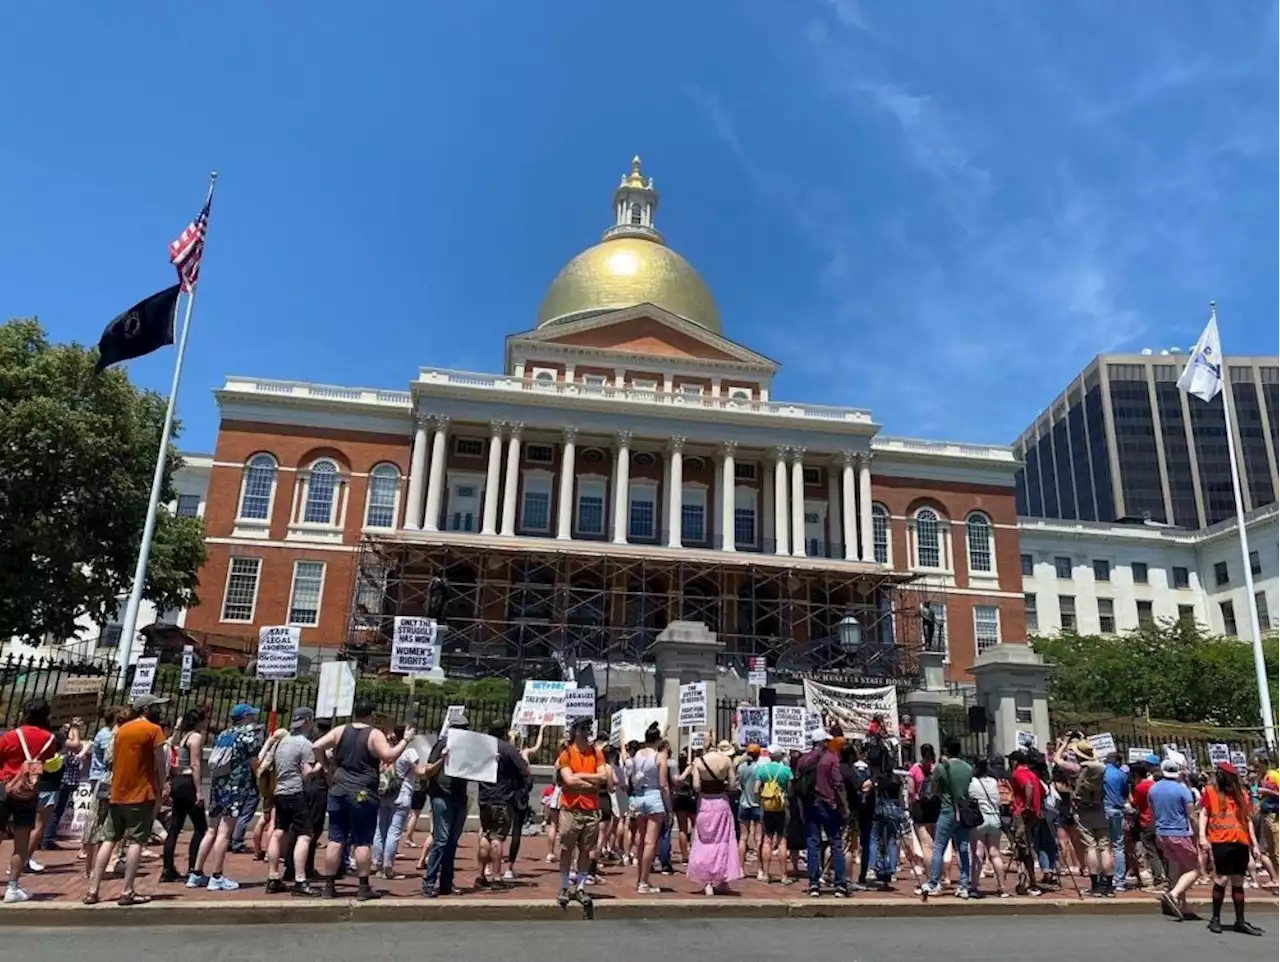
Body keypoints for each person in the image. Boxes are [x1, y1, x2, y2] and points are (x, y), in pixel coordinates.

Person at [308, 698, 415, 901]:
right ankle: (363, 886)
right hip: (362, 792)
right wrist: (405, 740)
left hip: (339, 790)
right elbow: (389, 756)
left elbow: (316, 746)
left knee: (335, 838)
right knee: (362, 841)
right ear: (371, 715)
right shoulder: (374, 734)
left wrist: (325, 767)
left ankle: (329, 886)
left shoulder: (340, 730)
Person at [84, 694, 168, 906]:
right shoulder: (153, 730)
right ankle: (127, 890)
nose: (160, 710)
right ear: (147, 709)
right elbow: (161, 765)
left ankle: (93, 889)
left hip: (118, 793)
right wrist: (161, 787)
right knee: (136, 841)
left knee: (109, 839)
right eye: (156, 707)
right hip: (140, 793)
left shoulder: (121, 730)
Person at [190, 703, 265, 892]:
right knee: (224, 833)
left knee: (211, 830)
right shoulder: (247, 735)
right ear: (246, 717)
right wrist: (262, 779)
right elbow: (254, 761)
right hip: (236, 786)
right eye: (251, 716)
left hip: (218, 786)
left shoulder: (223, 735)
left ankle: (196, 873)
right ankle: (217, 876)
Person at [0, 699, 58, 904]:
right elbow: (49, 760)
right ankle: (13, 888)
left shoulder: (10, 736)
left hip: (4, 786)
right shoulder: (49, 739)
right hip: (28, 791)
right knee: (21, 841)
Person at [1200, 761, 1264, 935]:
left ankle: (1240, 921)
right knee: (1221, 879)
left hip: (1240, 841)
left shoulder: (1242, 794)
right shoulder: (1211, 792)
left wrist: (1254, 844)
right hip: (1221, 841)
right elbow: (1204, 814)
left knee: (1238, 881)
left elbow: (1247, 819)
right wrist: (1202, 836)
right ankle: (1215, 919)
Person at [265, 707, 321, 897]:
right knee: (305, 835)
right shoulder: (304, 744)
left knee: (278, 832)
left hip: (279, 791)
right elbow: (307, 772)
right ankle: (300, 879)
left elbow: (269, 762)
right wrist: (321, 765)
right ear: (307, 721)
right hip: (296, 792)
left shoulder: (281, 742)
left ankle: (273, 877)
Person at [556, 716, 609, 908]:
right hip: (571, 809)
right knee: (566, 848)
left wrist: (581, 776)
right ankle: (564, 886)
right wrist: (590, 782)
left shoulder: (596, 753)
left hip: (590, 809)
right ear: (575, 731)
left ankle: (580, 887)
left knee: (586, 850)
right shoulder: (566, 754)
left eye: (588, 728)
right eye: (582, 728)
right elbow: (568, 780)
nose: (586, 732)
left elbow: (604, 776)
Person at [796, 729, 849, 898]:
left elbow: (797, 785)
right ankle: (840, 884)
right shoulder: (831, 758)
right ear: (823, 742)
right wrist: (845, 806)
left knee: (813, 844)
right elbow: (838, 784)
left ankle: (813, 884)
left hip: (810, 806)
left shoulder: (803, 760)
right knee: (835, 843)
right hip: (828, 806)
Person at [419, 714, 468, 897]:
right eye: (458, 728)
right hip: (442, 797)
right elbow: (427, 771)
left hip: (459, 797)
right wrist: (442, 758)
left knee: (452, 842)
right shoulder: (441, 744)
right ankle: (429, 882)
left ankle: (446, 883)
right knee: (441, 839)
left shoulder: (467, 748)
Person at [476, 723, 529, 890]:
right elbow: (525, 769)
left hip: (484, 797)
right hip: (501, 798)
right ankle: (497, 878)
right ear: (505, 732)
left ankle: (480, 875)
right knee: (498, 838)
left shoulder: (482, 748)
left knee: (485, 835)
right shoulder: (507, 749)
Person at [687, 736, 742, 896]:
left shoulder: (698, 762)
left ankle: (708, 881)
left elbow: (696, 787)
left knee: (705, 840)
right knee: (724, 840)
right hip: (721, 802)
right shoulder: (726, 760)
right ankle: (723, 879)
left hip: (705, 802)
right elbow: (732, 785)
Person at [917, 738, 972, 898]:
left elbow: (933, 790)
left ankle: (933, 882)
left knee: (938, 847)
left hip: (947, 810)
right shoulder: (968, 768)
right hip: (962, 812)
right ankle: (964, 885)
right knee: (962, 849)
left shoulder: (941, 768)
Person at [372, 725, 425, 881]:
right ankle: (388, 867)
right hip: (402, 794)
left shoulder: (385, 751)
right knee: (394, 832)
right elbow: (418, 772)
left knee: (380, 829)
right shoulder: (409, 752)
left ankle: (378, 866)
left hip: (384, 793)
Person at [161, 708, 208, 883]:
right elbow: (195, 765)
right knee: (201, 828)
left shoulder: (183, 737)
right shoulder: (195, 738)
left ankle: (167, 869)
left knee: (174, 828)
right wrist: (198, 790)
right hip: (188, 781)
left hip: (178, 781)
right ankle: (193, 869)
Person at [1149, 758, 1198, 921]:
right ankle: (1174, 894)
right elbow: (1191, 815)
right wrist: (1199, 834)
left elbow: (1153, 814)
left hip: (1162, 832)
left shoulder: (1153, 789)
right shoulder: (1183, 790)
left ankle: (1183, 905)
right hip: (1180, 833)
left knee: (1178, 867)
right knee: (1195, 869)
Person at [625, 722, 670, 894]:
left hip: (638, 797)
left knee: (642, 839)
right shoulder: (660, 757)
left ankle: (640, 879)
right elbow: (663, 784)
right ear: (658, 740)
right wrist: (668, 807)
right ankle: (644, 881)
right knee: (651, 841)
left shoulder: (637, 755)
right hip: (653, 796)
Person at [505, 725, 544, 880]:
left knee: (497, 832)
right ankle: (508, 867)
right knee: (514, 832)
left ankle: (491, 867)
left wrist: (541, 731)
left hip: (512, 796)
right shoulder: (520, 755)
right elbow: (537, 746)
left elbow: (537, 746)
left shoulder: (506, 754)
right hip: (517, 796)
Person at [40, 717, 83, 852]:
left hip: (57, 781)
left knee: (49, 812)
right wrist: (75, 728)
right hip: (61, 781)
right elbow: (76, 745)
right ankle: (46, 839)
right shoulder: (60, 744)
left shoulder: (54, 740)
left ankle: (44, 838)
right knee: (55, 811)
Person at [1006, 749, 1045, 897]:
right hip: (1033, 815)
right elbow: (1042, 791)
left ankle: (1027, 881)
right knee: (1026, 846)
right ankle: (1029, 880)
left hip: (1022, 815)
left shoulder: (1019, 773)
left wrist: (1026, 806)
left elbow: (1028, 786)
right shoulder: (1033, 774)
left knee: (1021, 848)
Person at [755, 744, 792, 884]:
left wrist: (762, 799)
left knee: (767, 840)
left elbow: (755, 789)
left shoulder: (762, 770)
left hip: (767, 808)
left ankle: (765, 873)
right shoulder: (786, 770)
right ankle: (783, 875)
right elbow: (790, 789)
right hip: (782, 808)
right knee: (782, 840)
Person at [1101, 749, 1129, 893]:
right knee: (1118, 846)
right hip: (1117, 810)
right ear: (1118, 761)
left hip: (1104, 809)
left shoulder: (1102, 773)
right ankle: (1120, 881)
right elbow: (1125, 794)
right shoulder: (1122, 775)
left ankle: (1104, 877)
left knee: (1103, 844)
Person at [736, 743, 763, 873]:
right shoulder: (760, 768)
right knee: (758, 838)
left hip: (744, 802)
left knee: (743, 837)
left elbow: (739, 784)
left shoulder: (741, 768)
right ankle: (760, 869)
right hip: (758, 804)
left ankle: (741, 868)